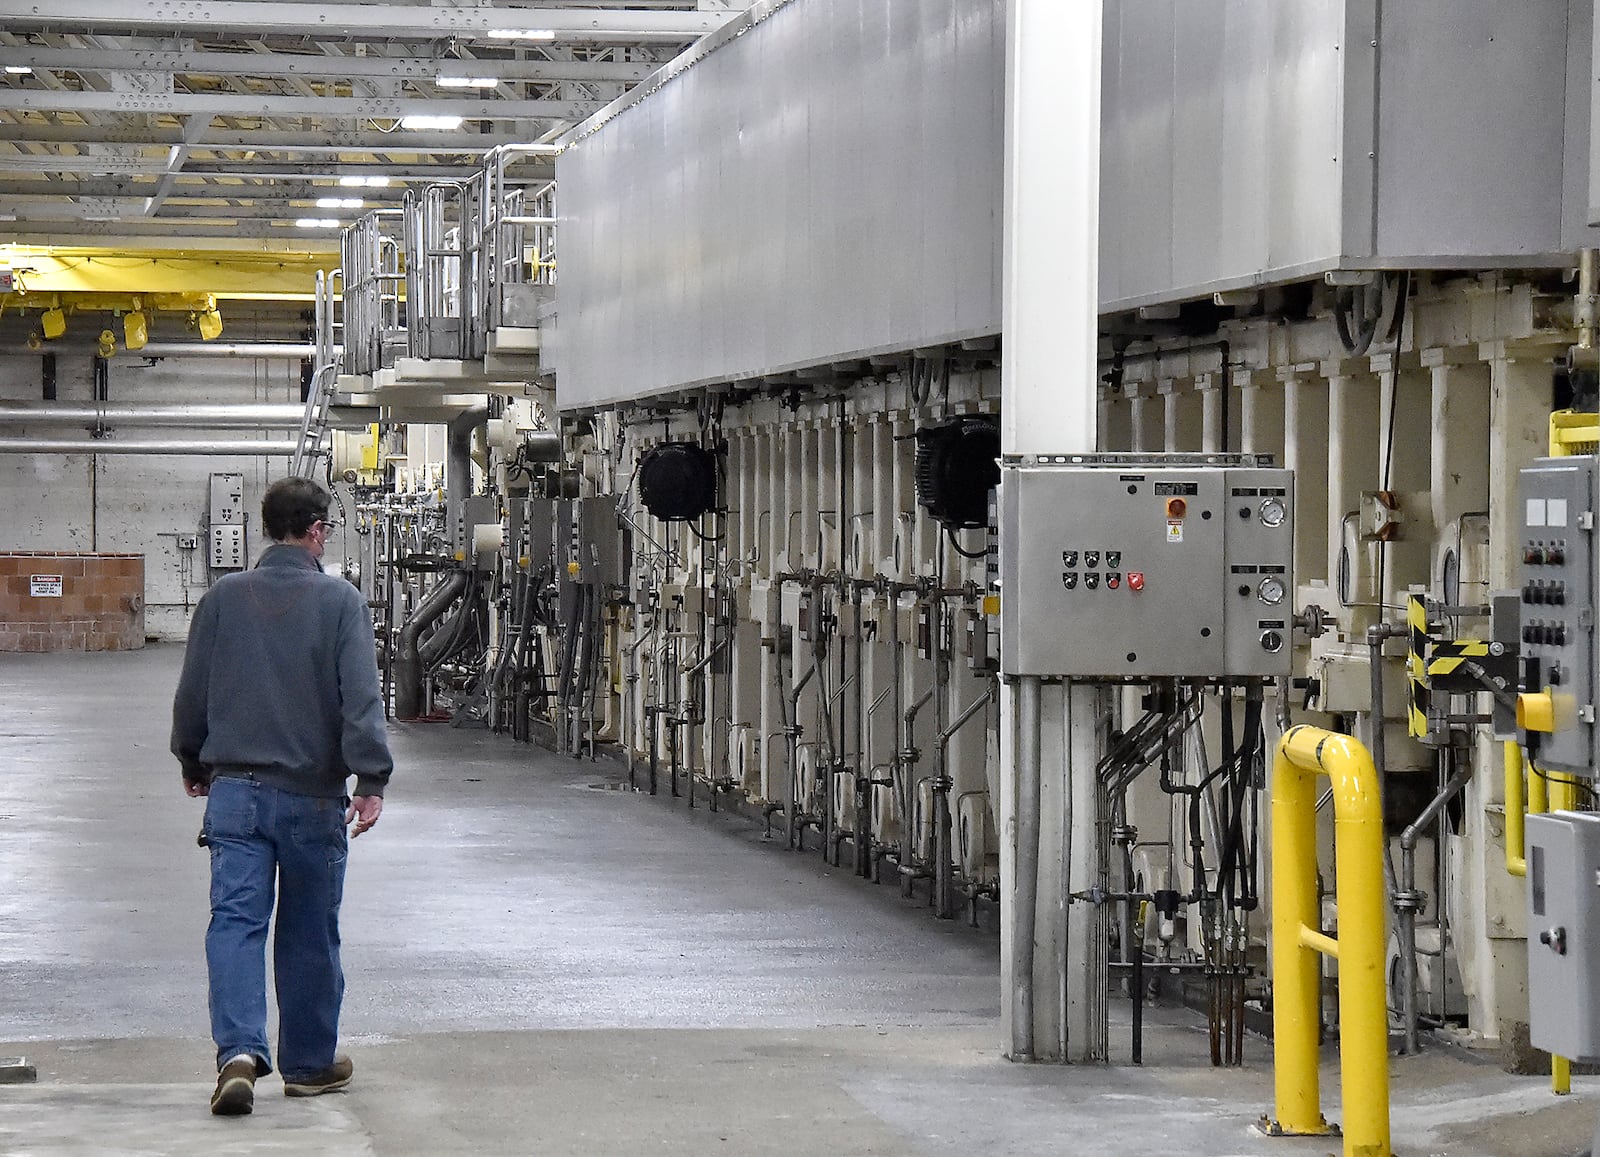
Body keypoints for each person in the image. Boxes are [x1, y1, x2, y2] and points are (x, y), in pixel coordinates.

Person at [171, 475, 392, 1116]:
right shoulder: (340, 602)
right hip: (312, 798)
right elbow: (361, 700)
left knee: (235, 923)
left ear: (268, 529)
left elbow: (193, 692)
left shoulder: (220, 599)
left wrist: (193, 756)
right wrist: (370, 779)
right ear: (318, 530)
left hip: (234, 792)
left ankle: (238, 1053)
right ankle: (308, 1064)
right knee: (308, 932)